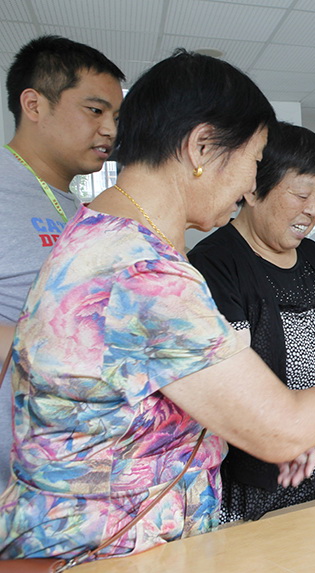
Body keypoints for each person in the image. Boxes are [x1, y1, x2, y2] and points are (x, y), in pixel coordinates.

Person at [0, 50, 315, 563]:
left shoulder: (104, 236)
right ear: (201, 147)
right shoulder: (141, 272)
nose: (248, 185)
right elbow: (280, 426)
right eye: (254, 162)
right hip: (111, 551)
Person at [188, 123, 315, 523]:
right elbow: (235, 387)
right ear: (253, 188)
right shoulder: (216, 263)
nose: (312, 210)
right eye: (301, 194)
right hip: (269, 482)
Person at [0, 35, 124, 489]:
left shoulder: (77, 207)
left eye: (115, 116)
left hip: (72, 470)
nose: (110, 129)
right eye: (95, 110)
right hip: (14, 483)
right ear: (34, 104)